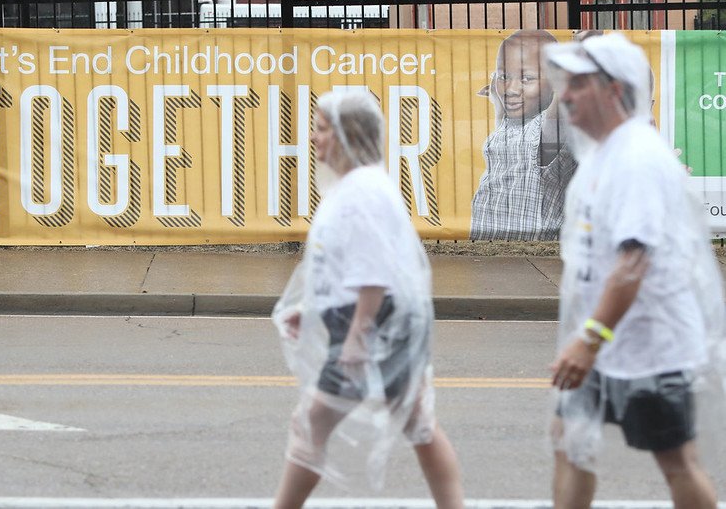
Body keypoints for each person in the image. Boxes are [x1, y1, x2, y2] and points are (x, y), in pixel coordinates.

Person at [545, 32, 726, 508]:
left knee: (676, 462)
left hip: (648, 348)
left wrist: (589, 340)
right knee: (569, 442)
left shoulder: (636, 158)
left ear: (612, 90)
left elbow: (633, 261)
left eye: (578, 84)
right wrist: (590, 338)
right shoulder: (602, 153)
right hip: (604, 340)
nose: (564, 94)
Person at [271, 90, 464, 509]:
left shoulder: (361, 193)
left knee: (311, 422)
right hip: (376, 322)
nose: (313, 138)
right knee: (420, 425)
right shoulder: (358, 187)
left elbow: (374, 273)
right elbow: (349, 266)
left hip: (374, 326)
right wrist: (312, 311)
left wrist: (357, 337)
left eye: (321, 129)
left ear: (345, 135)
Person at [471, 29, 576, 241]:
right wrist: (495, 95)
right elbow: (500, 106)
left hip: (526, 254)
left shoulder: (547, 135)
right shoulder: (509, 125)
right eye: (504, 76)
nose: (511, 89)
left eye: (527, 78)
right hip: (491, 255)